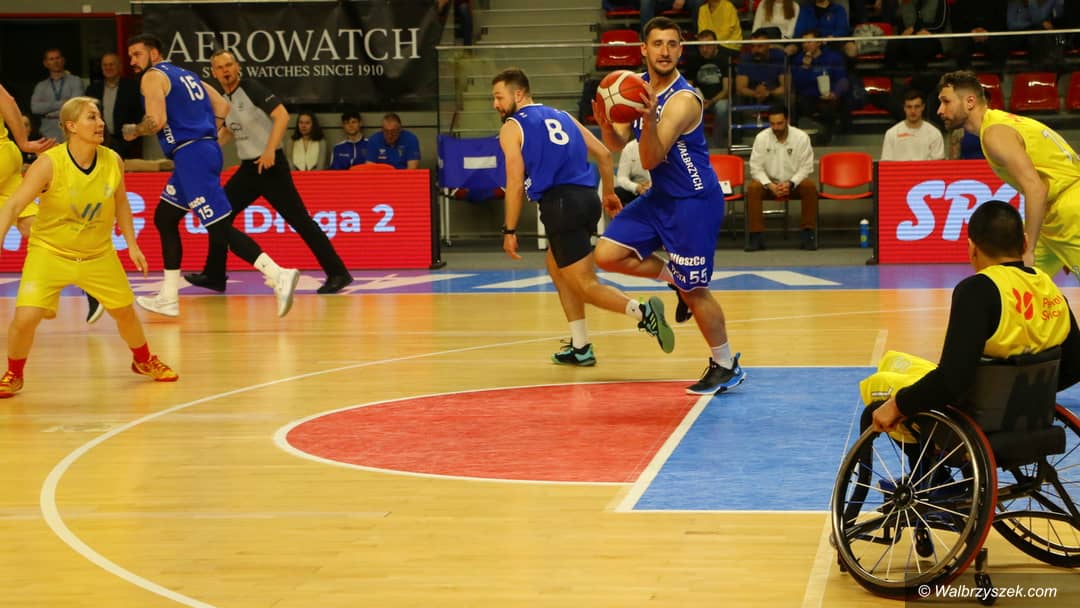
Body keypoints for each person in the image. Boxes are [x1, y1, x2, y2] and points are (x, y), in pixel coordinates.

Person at [594, 16, 745, 396]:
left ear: (681, 50)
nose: (665, 51)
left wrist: (648, 118)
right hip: (662, 196)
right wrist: (605, 123)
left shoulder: (683, 100)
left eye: (672, 44)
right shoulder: (635, 87)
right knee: (606, 254)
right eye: (658, 44)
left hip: (694, 203)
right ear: (643, 49)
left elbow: (649, 158)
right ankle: (675, 279)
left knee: (696, 291)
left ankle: (726, 364)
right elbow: (617, 144)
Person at [492, 67, 674, 366]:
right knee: (556, 268)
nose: (495, 104)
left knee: (585, 285)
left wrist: (509, 230)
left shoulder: (512, 127)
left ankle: (643, 312)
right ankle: (580, 346)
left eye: (499, 97)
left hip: (561, 205)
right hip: (586, 200)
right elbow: (603, 154)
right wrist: (609, 194)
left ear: (519, 94)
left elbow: (514, 182)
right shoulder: (564, 116)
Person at [0, 96, 179, 398]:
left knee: (125, 313)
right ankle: (14, 374)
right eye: (91, 117)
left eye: (99, 117)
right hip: (50, 253)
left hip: (98, 254)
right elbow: (15, 204)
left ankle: (143, 360)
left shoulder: (112, 160)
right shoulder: (49, 163)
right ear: (71, 126)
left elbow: (121, 203)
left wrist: (132, 244)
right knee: (25, 319)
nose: (100, 124)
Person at [122, 33, 300, 319]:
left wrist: (134, 130)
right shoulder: (188, 76)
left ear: (154, 54)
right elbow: (223, 107)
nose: (132, 60)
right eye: (131, 55)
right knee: (165, 217)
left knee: (218, 227)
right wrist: (207, 135)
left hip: (191, 154)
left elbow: (157, 121)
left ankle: (278, 273)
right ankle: (168, 297)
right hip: (200, 151)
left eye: (137, 54)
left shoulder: (152, 76)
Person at [866, 201, 1080, 433]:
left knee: (877, 388)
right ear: (1025, 243)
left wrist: (898, 405)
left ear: (972, 248)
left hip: (980, 414)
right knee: (893, 361)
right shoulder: (1049, 287)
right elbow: (1075, 365)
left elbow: (951, 381)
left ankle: (926, 458)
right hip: (1028, 410)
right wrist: (1029, 396)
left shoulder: (978, 290)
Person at [184, 49, 353, 296]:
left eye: (229, 65)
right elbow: (230, 130)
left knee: (301, 221)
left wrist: (270, 150)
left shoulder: (251, 88)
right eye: (220, 67)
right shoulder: (222, 99)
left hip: (271, 167)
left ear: (237, 66)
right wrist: (206, 150)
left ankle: (338, 273)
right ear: (214, 73)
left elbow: (281, 115)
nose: (225, 70)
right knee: (218, 217)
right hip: (249, 169)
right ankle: (215, 275)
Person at [937, 70, 1080, 275]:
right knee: (1015, 276)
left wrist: (1029, 249)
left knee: (1022, 262)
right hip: (1053, 214)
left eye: (946, 102)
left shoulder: (995, 134)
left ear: (970, 102)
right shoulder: (1001, 123)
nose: (940, 110)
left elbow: (1036, 188)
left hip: (1070, 212)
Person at [4, 86, 101, 324]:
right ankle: (91, 283)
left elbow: (7, 101)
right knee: (36, 228)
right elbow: (8, 101)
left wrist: (24, 142)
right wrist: (22, 143)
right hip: (5, 157)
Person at [745, 104, 818, 252]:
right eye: (772, 124)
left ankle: (808, 234)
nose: (776, 127)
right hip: (769, 185)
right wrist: (769, 185)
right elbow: (755, 168)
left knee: (810, 187)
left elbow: (806, 167)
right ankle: (756, 236)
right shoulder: (761, 138)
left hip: (794, 183)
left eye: (779, 123)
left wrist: (791, 183)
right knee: (753, 188)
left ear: (787, 120)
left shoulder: (801, 137)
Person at [790, 29, 849, 145]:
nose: (805, 45)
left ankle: (827, 140)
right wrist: (804, 67)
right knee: (800, 104)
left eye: (809, 42)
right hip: (807, 96)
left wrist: (834, 93)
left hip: (829, 95)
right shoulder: (798, 60)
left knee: (831, 107)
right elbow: (797, 83)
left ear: (818, 43)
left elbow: (842, 79)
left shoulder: (833, 57)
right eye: (803, 42)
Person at [85, 52, 143, 159]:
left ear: (119, 66)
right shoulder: (92, 89)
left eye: (111, 64)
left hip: (127, 143)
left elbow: (139, 113)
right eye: (105, 65)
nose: (108, 68)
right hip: (100, 142)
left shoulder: (132, 87)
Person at [682, 29, 731, 148]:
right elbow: (688, 87)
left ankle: (717, 144)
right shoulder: (693, 59)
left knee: (723, 107)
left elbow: (727, 89)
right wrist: (699, 100)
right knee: (686, 106)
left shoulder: (723, 58)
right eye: (701, 46)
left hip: (719, 99)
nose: (704, 49)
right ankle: (700, 144)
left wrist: (712, 101)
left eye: (708, 46)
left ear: (715, 45)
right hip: (699, 100)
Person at [30, 48, 85, 142]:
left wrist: (49, 114)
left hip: (71, 132)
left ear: (63, 60)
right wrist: (63, 103)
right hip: (47, 134)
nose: (55, 61)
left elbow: (75, 106)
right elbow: (35, 108)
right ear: (46, 63)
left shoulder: (76, 81)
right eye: (51, 59)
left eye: (57, 58)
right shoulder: (41, 86)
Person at [880, 89, 945, 161]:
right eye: (909, 107)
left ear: (923, 107)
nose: (913, 111)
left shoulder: (935, 133)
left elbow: (938, 164)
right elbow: (886, 163)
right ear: (904, 108)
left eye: (917, 106)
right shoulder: (891, 134)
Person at [882, 0, 946, 72]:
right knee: (892, 44)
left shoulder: (940, 1)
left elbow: (940, 25)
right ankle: (890, 75)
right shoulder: (907, 3)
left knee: (916, 46)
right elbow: (905, 23)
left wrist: (918, 29)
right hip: (913, 36)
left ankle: (919, 75)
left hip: (935, 37)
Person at [949, 0, 1008, 70]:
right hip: (968, 33)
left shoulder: (998, 2)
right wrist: (971, 32)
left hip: (990, 33)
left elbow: (1001, 21)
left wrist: (987, 32)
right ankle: (967, 73)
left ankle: (995, 74)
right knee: (958, 45)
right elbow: (956, 21)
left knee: (1001, 43)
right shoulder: (960, 2)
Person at [735, 29, 787, 107]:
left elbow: (786, 87)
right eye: (753, 46)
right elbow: (740, 88)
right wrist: (755, 93)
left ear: (768, 45)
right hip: (751, 99)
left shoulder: (779, 57)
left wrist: (769, 93)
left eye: (760, 46)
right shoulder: (745, 59)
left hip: (774, 97)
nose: (755, 50)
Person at [614, 139, 651, 205]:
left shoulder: (664, 144)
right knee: (617, 192)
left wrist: (651, 185)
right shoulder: (629, 148)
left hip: (658, 187)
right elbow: (622, 177)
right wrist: (636, 187)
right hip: (638, 189)